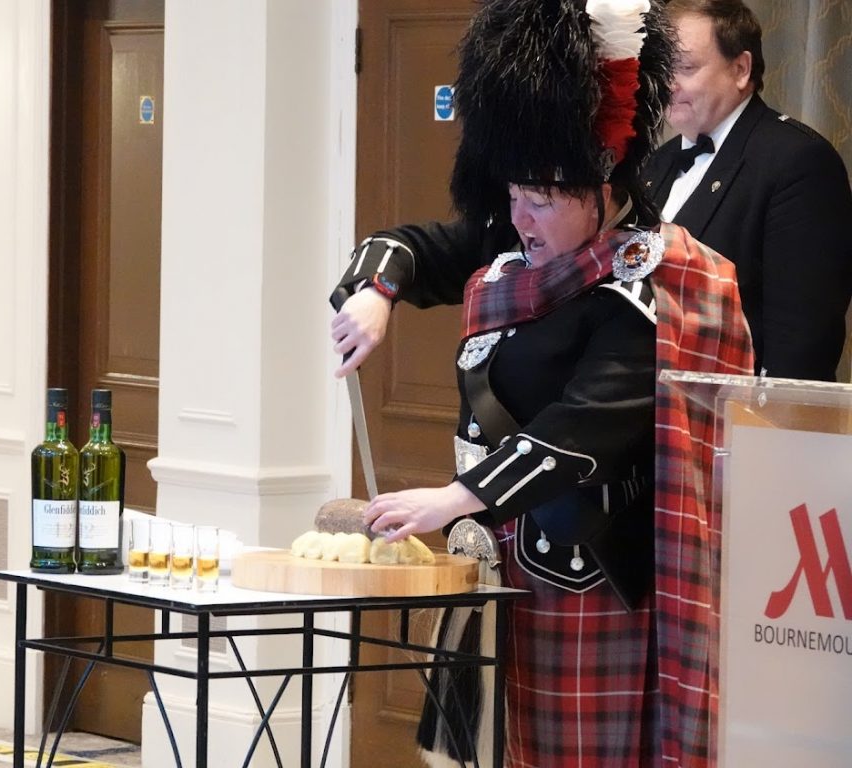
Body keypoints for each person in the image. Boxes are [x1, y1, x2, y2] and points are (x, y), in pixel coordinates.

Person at [329, 1, 753, 766]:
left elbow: (583, 425)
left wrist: (453, 499)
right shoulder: (516, 224)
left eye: (545, 200)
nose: (522, 218)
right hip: (498, 565)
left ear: (602, 183)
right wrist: (374, 295)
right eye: (515, 193)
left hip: (590, 581)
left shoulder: (653, 280)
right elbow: (409, 246)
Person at [643, 0, 852, 381]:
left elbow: (801, 344)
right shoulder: (656, 163)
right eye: (661, 67)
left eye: (686, 67)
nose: (667, 83)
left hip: (737, 422)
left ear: (740, 69)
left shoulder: (797, 160)